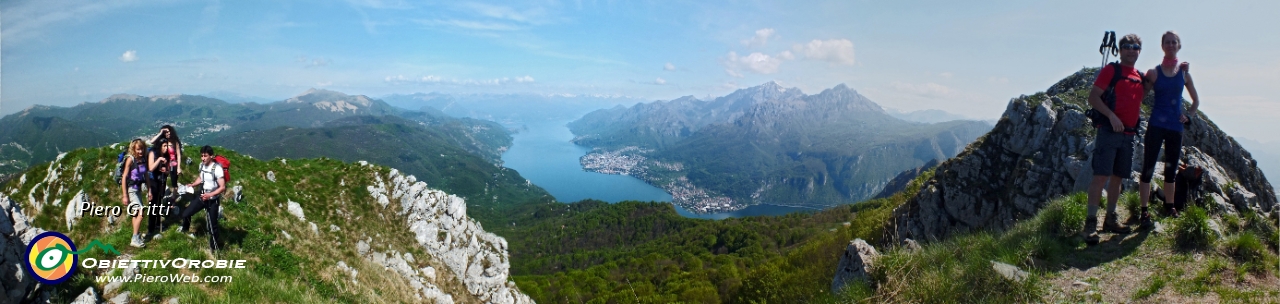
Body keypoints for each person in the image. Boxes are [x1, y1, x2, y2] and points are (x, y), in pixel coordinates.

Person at [1083, 33, 1146, 244]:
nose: (1131, 49)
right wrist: (1111, 116)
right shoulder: (1112, 70)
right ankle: (1090, 222)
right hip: (1109, 132)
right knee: (1101, 176)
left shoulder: (1139, 76)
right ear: (1120, 50)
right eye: (1127, 46)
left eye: (1135, 47)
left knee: (1118, 178)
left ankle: (1110, 218)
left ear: (1140, 51)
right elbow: (1093, 97)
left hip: (1128, 134)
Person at [1139, 31, 1200, 222]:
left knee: (1171, 169)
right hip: (1156, 125)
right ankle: (1143, 210)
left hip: (1175, 127)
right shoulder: (1154, 72)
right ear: (1162, 46)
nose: (1171, 45)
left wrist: (1188, 116)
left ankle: (1169, 206)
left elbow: (1196, 101)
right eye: (1167, 42)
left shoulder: (1184, 74)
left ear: (1179, 46)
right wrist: (1135, 113)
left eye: (1174, 42)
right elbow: (1140, 96)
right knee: (1148, 167)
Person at [182, 145, 226, 250]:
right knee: (186, 214)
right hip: (202, 197)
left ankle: (214, 248)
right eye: (201, 156)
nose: (203, 158)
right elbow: (201, 178)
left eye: (205, 156)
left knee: (212, 226)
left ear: (211, 156)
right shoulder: (202, 165)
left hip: (212, 201)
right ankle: (184, 231)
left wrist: (210, 195)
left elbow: (222, 187)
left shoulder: (217, 169)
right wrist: (193, 184)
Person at [120, 139, 149, 247]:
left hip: (139, 190)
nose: (140, 151)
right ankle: (134, 238)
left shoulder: (142, 159)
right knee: (141, 213)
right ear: (133, 149)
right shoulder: (130, 160)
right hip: (131, 190)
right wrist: (125, 195)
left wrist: (149, 190)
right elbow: (124, 178)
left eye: (142, 149)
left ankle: (136, 236)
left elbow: (146, 175)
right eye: (138, 149)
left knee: (136, 214)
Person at [146, 138, 172, 239]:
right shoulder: (153, 153)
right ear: (160, 146)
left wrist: (165, 171)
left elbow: (168, 171)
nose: (166, 148)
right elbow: (151, 167)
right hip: (153, 180)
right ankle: (150, 228)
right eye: (164, 146)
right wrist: (159, 160)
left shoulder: (166, 155)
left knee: (159, 201)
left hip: (161, 180)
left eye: (167, 146)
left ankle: (157, 223)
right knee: (153, 204)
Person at [149, 125, 183, 199]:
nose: (168, 133)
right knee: (162, 180)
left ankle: (173, 198)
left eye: (169, 131)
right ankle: (160, 196)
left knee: (174, 182)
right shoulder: (163, 141)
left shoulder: (175, 142)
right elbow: (151, 141)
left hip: (173, 163)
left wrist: (178, 167)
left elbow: (179, 155)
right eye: (166, 132)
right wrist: (161, 133)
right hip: (164, 163)